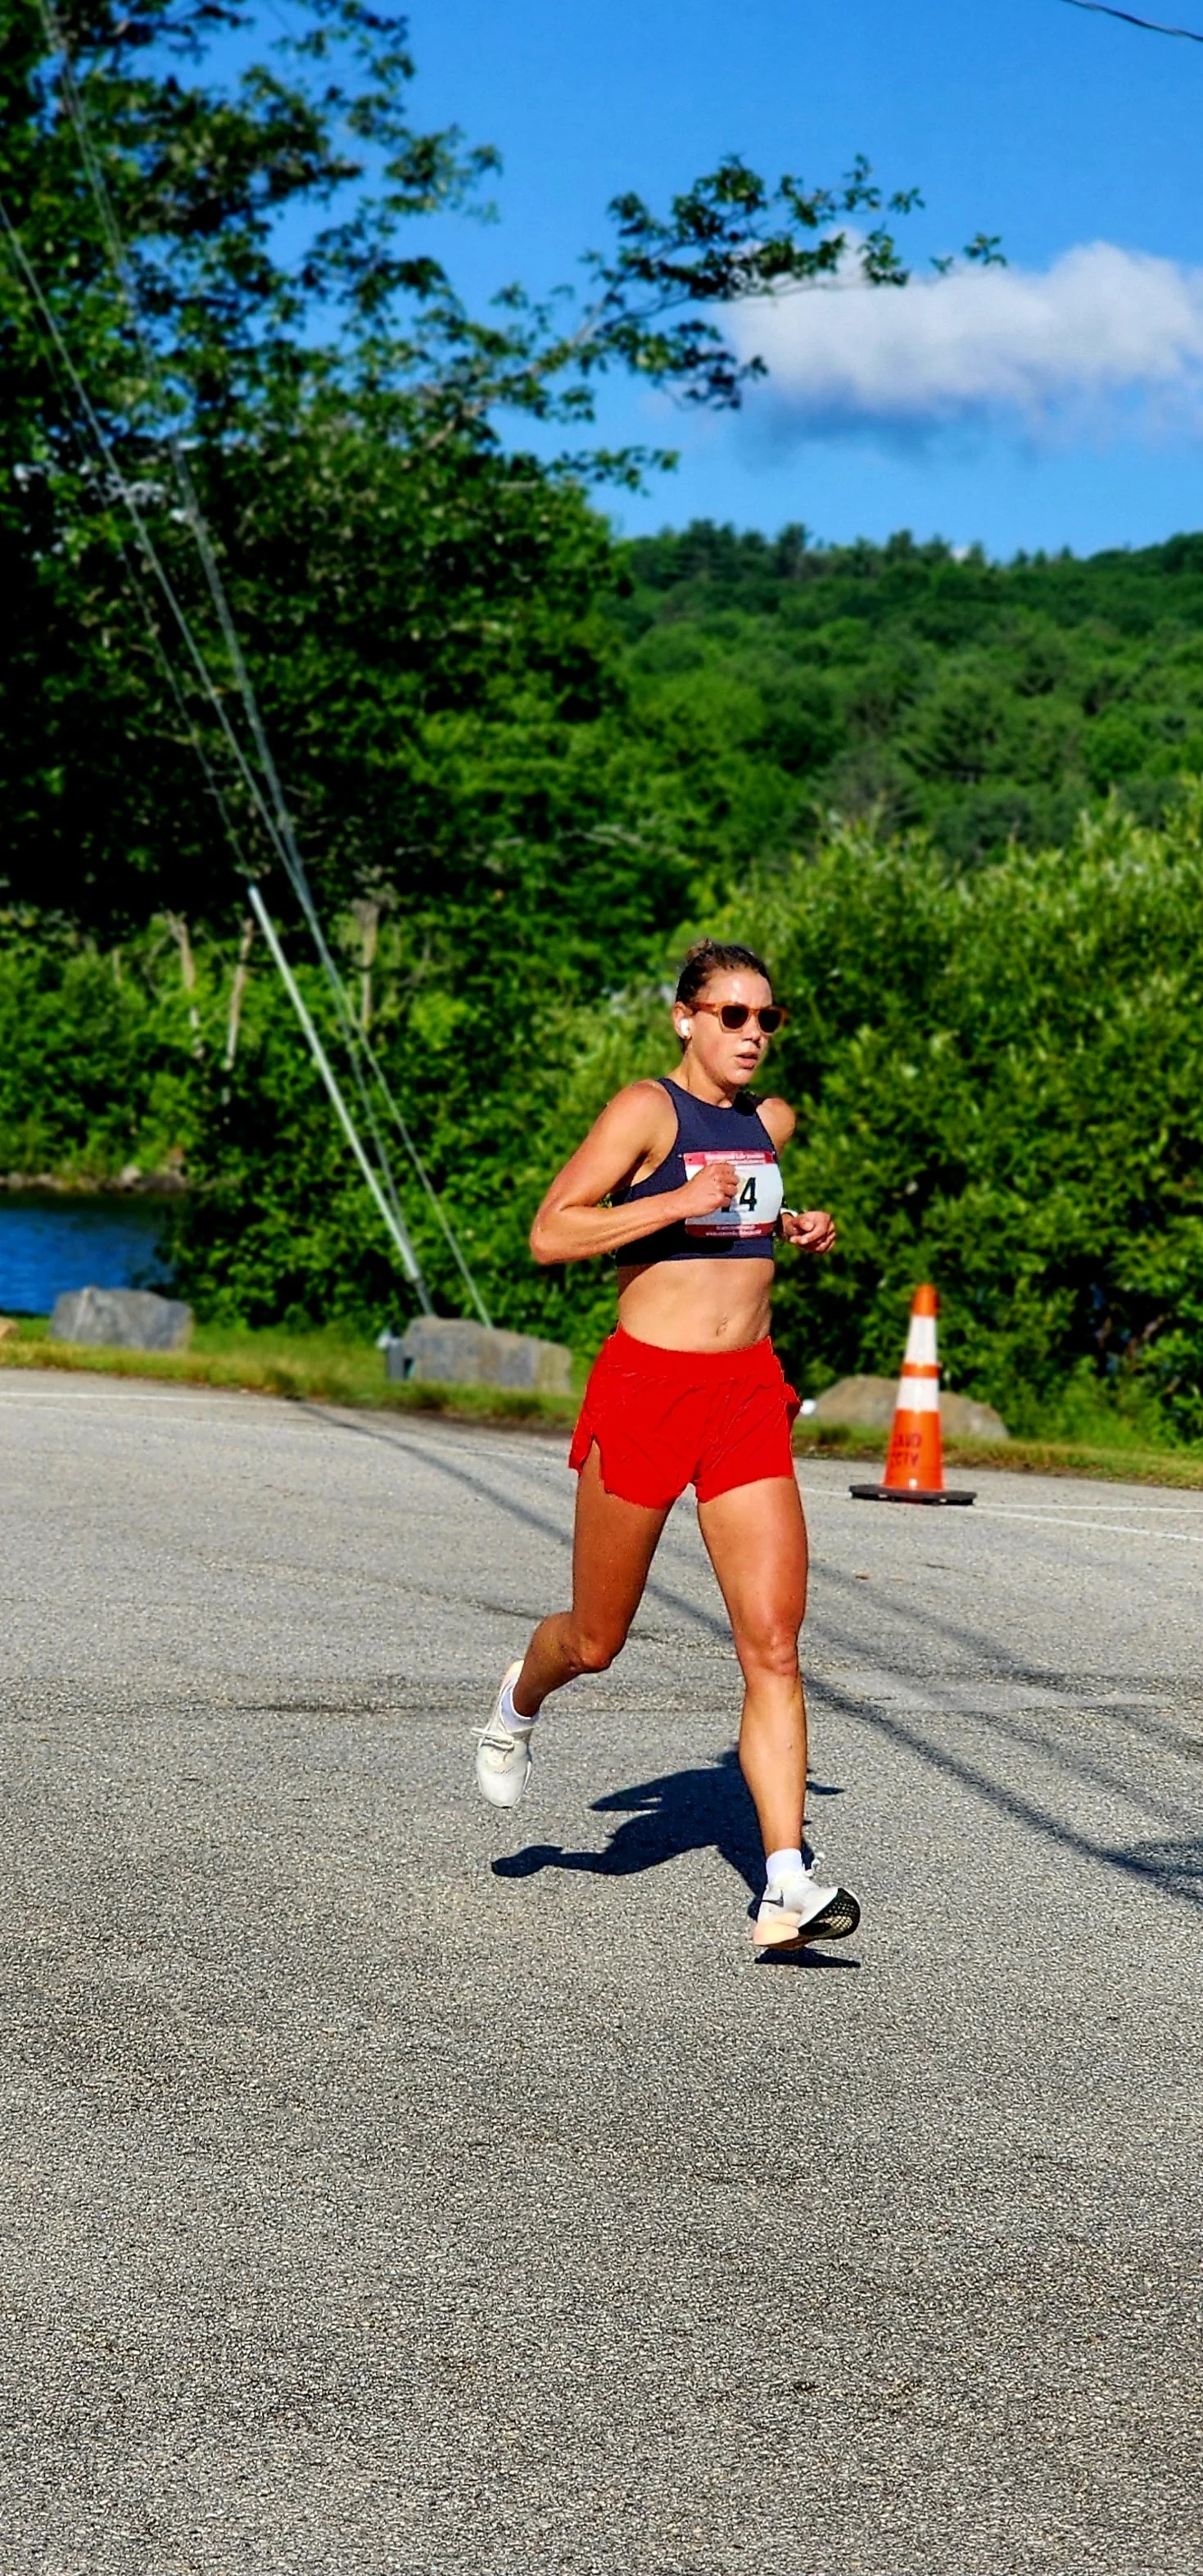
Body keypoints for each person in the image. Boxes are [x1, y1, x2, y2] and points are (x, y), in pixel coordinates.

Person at [473, 937, 859, 1952]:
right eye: (731, 1014)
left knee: (772, 1644)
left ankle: (785, 1880)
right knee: (595, 1642)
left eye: (766, 1018)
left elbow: (739, 1238)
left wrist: (799, 1232)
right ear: (684, 1017)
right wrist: (669, 1202)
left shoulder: (771, 1124)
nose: (751, 1034)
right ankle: (517, 1701)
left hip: (744, 1395)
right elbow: (552, 1232)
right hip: (646, 1390)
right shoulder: (647, 1110)